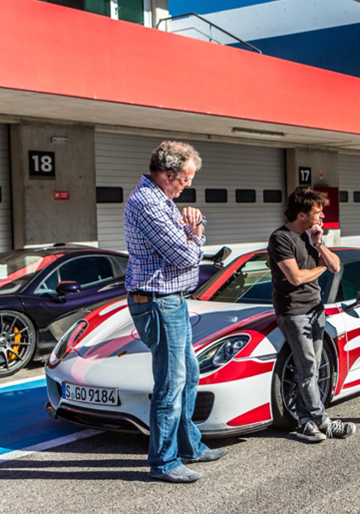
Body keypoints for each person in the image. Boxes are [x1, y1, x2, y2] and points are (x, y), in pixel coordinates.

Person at [123, 141, 226, 483]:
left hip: (171, 299)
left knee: (189, 376)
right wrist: (195, 234)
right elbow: (184, 256)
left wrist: (194, 226)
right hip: (157, 301)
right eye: (185, 178)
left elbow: (191, 235)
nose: (187, 185)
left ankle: (189, 445)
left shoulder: (163, 201)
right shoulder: (147, 203)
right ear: (168, 175)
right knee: (171, 383)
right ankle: (163, 462)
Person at [268, 187, 355, 442]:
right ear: (302, 214)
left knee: (313, 368)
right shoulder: (280, 238)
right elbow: (295, 278)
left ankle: (305, 422)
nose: (322, 215)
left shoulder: (309, 237)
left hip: (316, 309)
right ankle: (324, 422)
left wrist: (320, 244)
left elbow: (336, 266)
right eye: (318, 211)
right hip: (293, 312)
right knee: (307, 367)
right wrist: (320, 268)